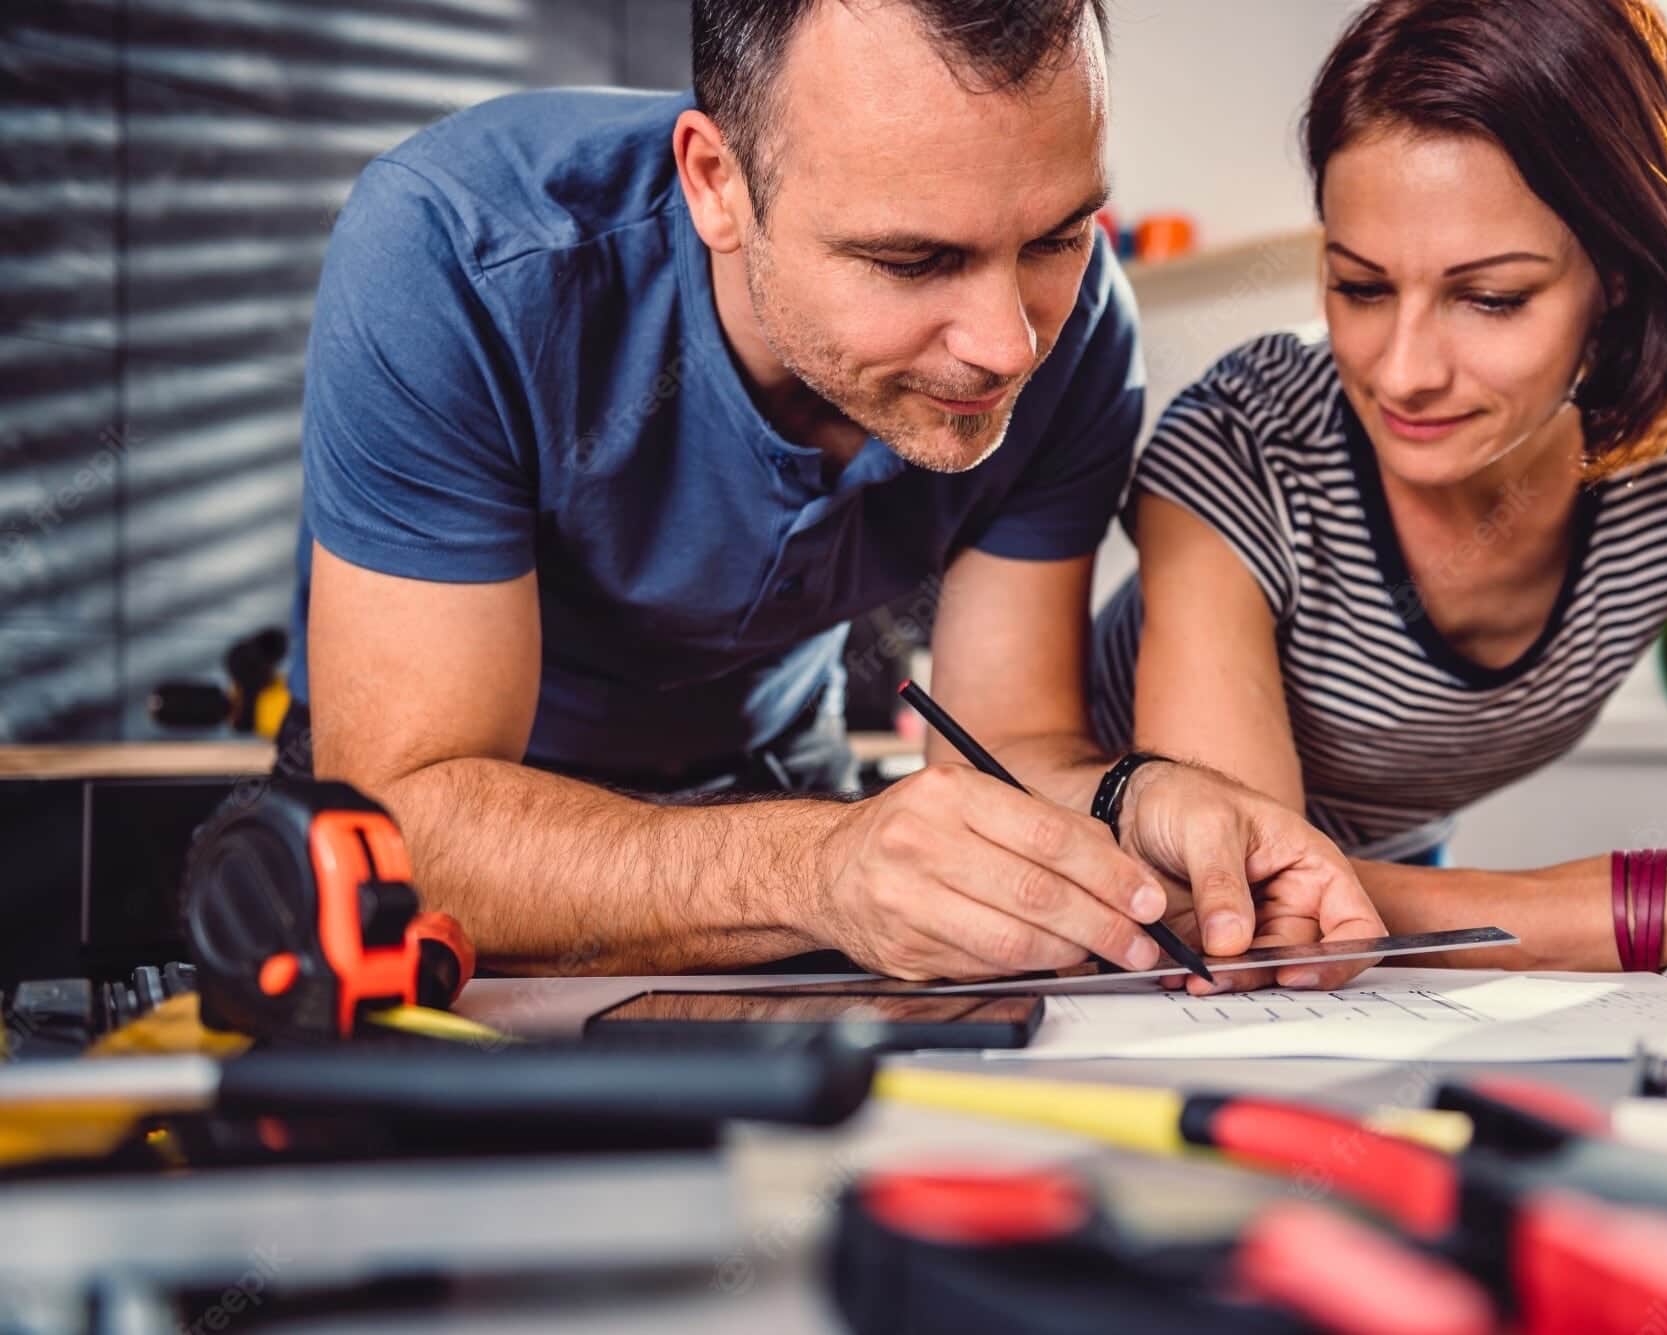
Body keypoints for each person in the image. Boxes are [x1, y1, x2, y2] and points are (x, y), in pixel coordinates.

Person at [285, 0, 1383, 984]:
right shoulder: (458, 254)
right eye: (912, 262)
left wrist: (1139, 799)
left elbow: (1007, 747)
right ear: (716, 184)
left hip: (779, 797)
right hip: (491, 838)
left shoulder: (1080, 333)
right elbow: (403, 821)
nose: (1007, 346)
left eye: (1055, 237)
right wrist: (817, 865)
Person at [1091, 0, 1667, 973]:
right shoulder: (1242, 443)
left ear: (1616, 274)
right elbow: (1254, 900)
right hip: (1114, 913)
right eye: (1359, 286)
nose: (1402, 372)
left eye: (1488, 298)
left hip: (1401, 901)